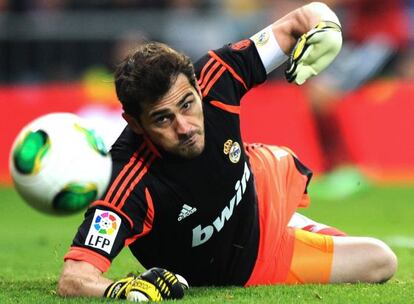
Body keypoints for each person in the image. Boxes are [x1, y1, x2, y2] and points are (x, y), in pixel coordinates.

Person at [57, 2, 397, 302]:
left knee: (371, 255)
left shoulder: (217, 75)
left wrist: (328, 25)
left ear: (196, 85)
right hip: (256, 262)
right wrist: (123, 289)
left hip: (262, 190)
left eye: (188, 104)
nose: (184, 127)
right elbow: (75, 278)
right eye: (163, 118)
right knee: (380, 260)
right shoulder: (126, 182)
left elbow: (300, 19)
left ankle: (290, 223)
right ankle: (294, 235)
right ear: (135, 123)